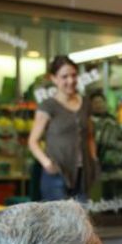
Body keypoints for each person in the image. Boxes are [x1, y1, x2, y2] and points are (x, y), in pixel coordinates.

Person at [28, 55, 100, 202]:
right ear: (54, 79)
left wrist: (94, 159)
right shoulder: (48, 106)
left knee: (81, 220)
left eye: (74, 75)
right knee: (58, 222)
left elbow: (90, 135)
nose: (70, 81)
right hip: (57, 173)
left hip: (83, 174)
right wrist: (47, 163)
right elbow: (33, 141)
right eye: (64, 76)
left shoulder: (85, 103)